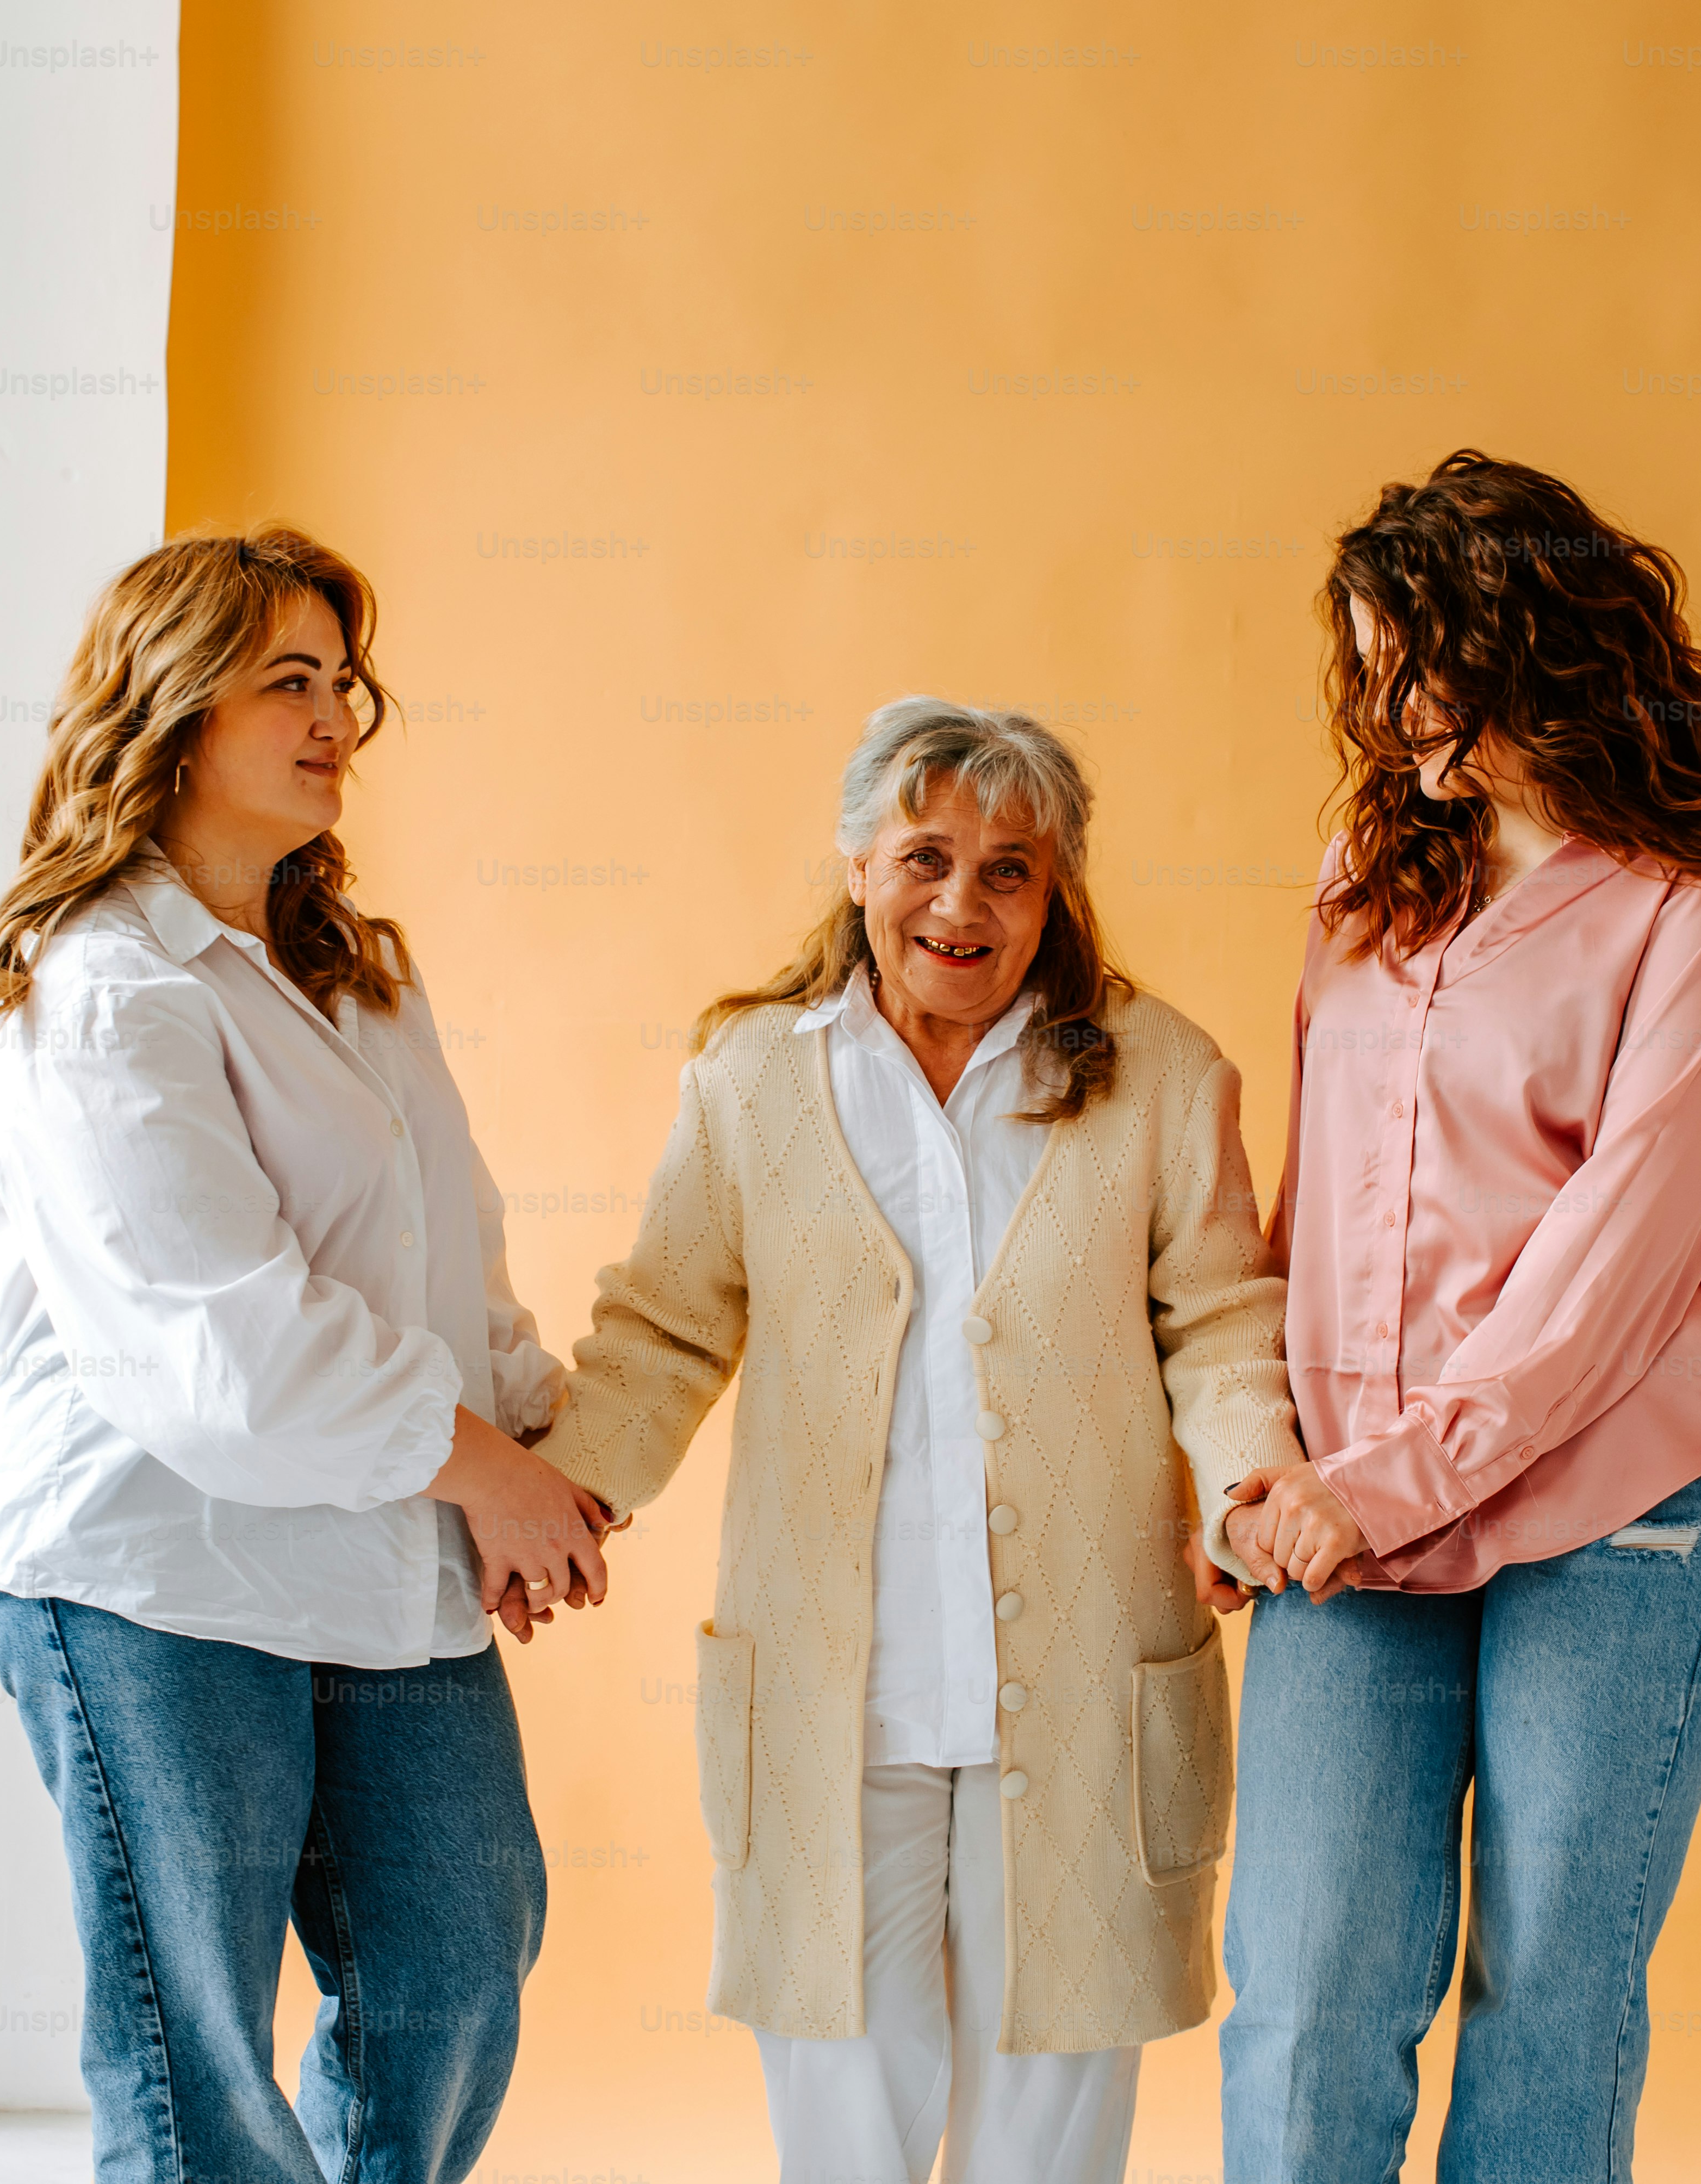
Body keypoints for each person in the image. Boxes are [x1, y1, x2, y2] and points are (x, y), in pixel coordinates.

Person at [537, 699, 1302, 2184]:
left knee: (1052, 2133)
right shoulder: (752, 1079)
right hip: (839, 1702)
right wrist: (564, 1496)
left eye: (1011, 870)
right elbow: (666, 1325)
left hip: (1085, 1688)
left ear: (1058, 891)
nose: (963, 903)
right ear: (854, 862)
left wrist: (1247, 1486)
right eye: (926, 856)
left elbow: (1218, 1324)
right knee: (842, 2122)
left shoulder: (1160, 1076)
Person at [0, 526, 611, 2184]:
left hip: (383, 1560)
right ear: (170, 712)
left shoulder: (358, 978)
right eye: (287, 684)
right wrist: (493, 1474)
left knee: (458, 1970)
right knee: (197, 2058)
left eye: (343, 685)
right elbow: (223, 1343)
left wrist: (540, 1461)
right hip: (152, 1572)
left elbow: (457, 1263)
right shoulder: (105, 990)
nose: (336, 722)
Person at [1217, 452, 1701, 2181]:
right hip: (1343, 1509)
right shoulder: (1372, 867)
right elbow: (1309, 1205)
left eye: (1419, 656)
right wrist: (1251, 1465)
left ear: (1529, 637)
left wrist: (1373, 1485)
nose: (1388, 707)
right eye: (1366, 664)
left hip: (1619, 1511)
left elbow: (1616, 1258)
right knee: (1306, 1995)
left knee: (1550, 1996)